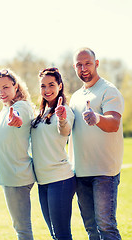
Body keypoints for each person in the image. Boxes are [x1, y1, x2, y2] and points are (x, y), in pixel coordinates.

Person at [69, 48, 124, 240]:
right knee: (91, 229)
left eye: (88, 63)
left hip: (104, 173)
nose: (83, 68)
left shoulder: (109, 90)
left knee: (106, 227)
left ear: (96, 63)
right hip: (80, 172)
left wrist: (97, 118)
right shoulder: (75, 97)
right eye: (79, 64)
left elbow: (114, 123)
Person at [0, 69, 35, 240]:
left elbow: (18, 119)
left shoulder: (20, 107)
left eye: (6, 87)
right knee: (20, 226)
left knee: (21, 228)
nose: (1, 93)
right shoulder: (6, 108)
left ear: (16, 86)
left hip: (17, 176)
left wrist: (16, 118)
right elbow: (10, 136)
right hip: (11, 175)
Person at [31, 67, 76, 239]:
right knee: (55, 235)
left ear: (60, 86)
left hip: (60, 180)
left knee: (62, 234)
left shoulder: (65, 110)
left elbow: (65, 131)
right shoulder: (39, 113)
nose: (47, 90)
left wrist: (62, 118)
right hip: (43, 182)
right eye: (43, 86)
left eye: (51, 85)